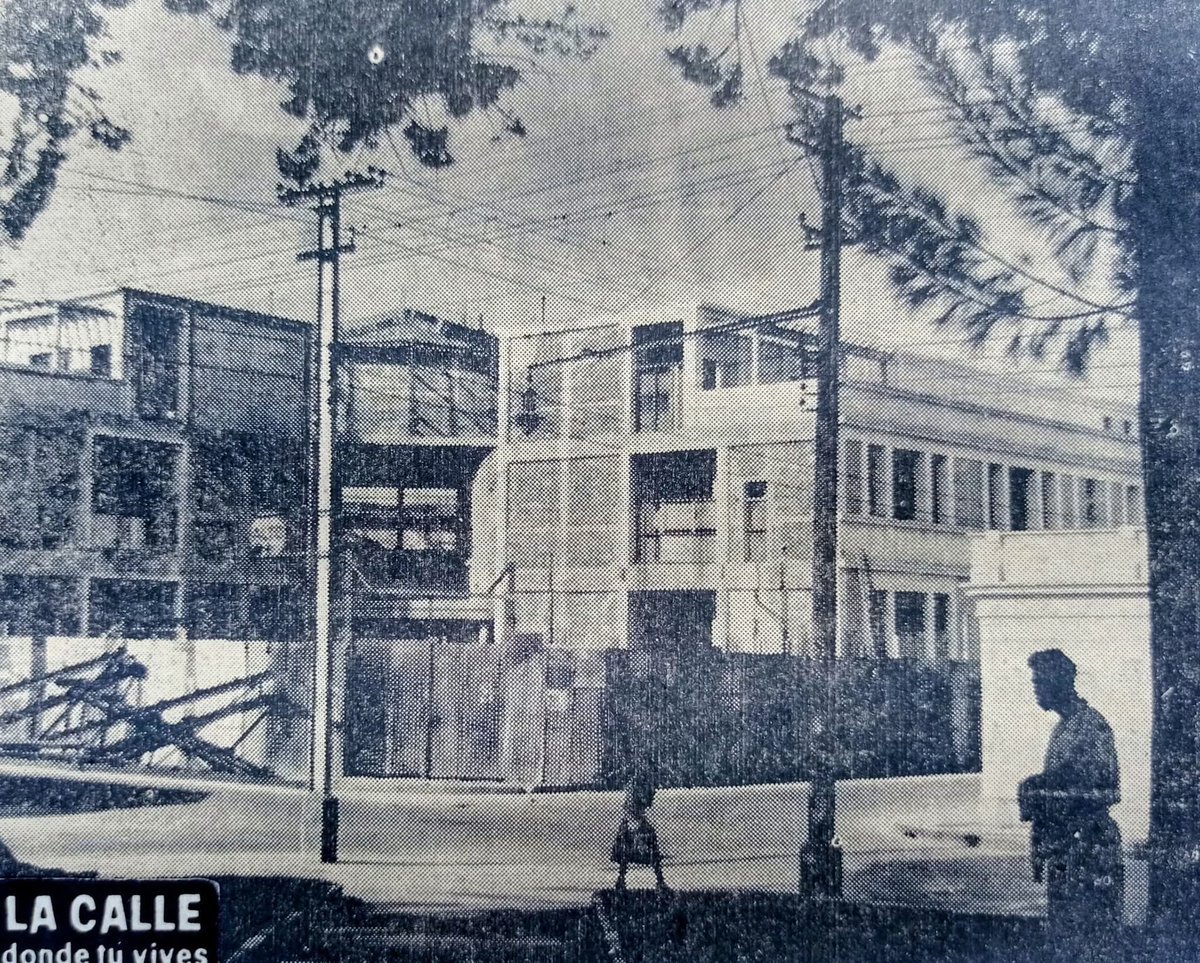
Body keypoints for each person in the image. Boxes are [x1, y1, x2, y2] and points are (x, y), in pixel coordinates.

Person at [1018, 649, 1123, 957]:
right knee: (1065, 939)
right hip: (1064, 849)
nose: (1035, 687)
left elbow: (1108, 790)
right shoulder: (1064, 727)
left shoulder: (1091, 726)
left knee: (1091, 939)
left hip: (1090, 847)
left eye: (1040, 681)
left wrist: (1049, 793)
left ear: (1059, 681)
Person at [610, 776, 669, 893]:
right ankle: (659, 880)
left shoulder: (635, 786)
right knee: (646, 849)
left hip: (632, 821)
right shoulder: (637, 789)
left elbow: (635, 807)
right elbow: (635, 809)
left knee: (626, 851)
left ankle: (621, 879)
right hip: (634, 821)